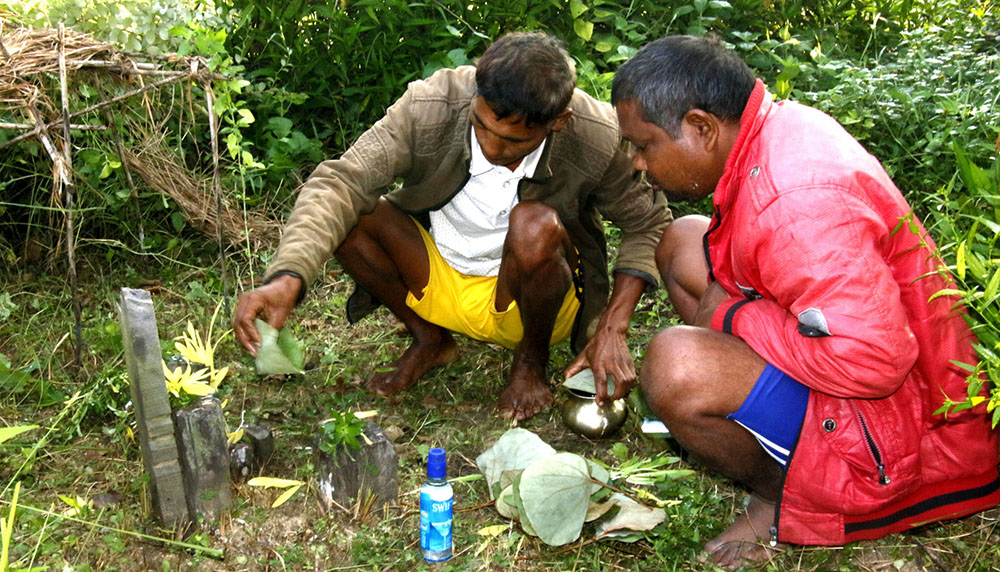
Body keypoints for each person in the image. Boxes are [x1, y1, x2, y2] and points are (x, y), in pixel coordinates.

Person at [612, 35, 1000, 568]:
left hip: (905, 427)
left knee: (676, 365)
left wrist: (734, 313)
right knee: (684, 239)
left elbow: (874, 363)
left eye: (645, 144)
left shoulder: (796, 204)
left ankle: (781, 497)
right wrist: (739, 308)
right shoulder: (775, 126)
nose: (637, 163)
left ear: (702, 127)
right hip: (862, 348)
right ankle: (759, 417)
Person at [233, 32, 670, 421]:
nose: (492, 146)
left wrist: (613, 326)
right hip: (436, 275)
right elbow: (341, 181)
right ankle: (431, 340)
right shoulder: (433, 106)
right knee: (356, 211)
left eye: (514, 141)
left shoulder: (596, 136)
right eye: (481, 126)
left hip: (535, 297)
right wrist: (288, 276)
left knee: (533, 224)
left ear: (557, 122)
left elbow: (648, 223)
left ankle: (530, 364)